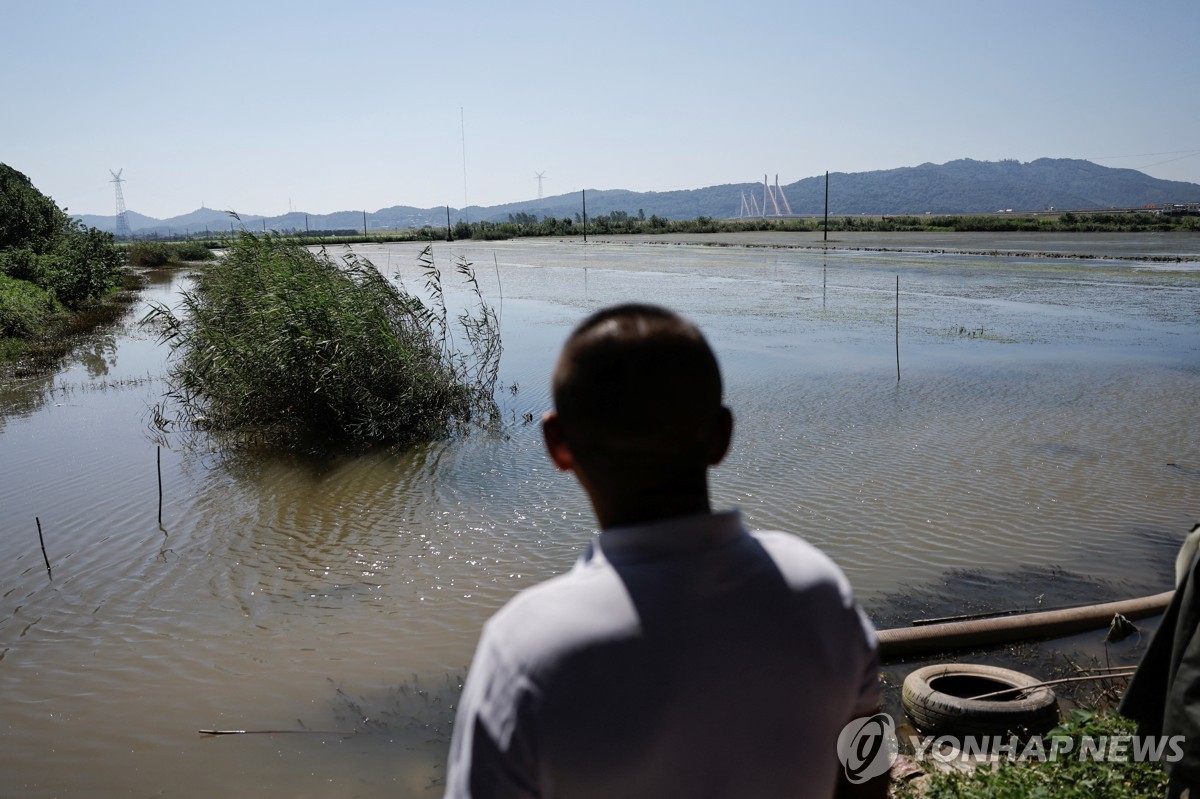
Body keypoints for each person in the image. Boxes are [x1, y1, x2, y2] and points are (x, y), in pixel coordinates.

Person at [444, 304, 883, 798]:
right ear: (722, 437)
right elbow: (868, 766)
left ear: (556, 445)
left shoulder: (523, 652)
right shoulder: (821, 592)